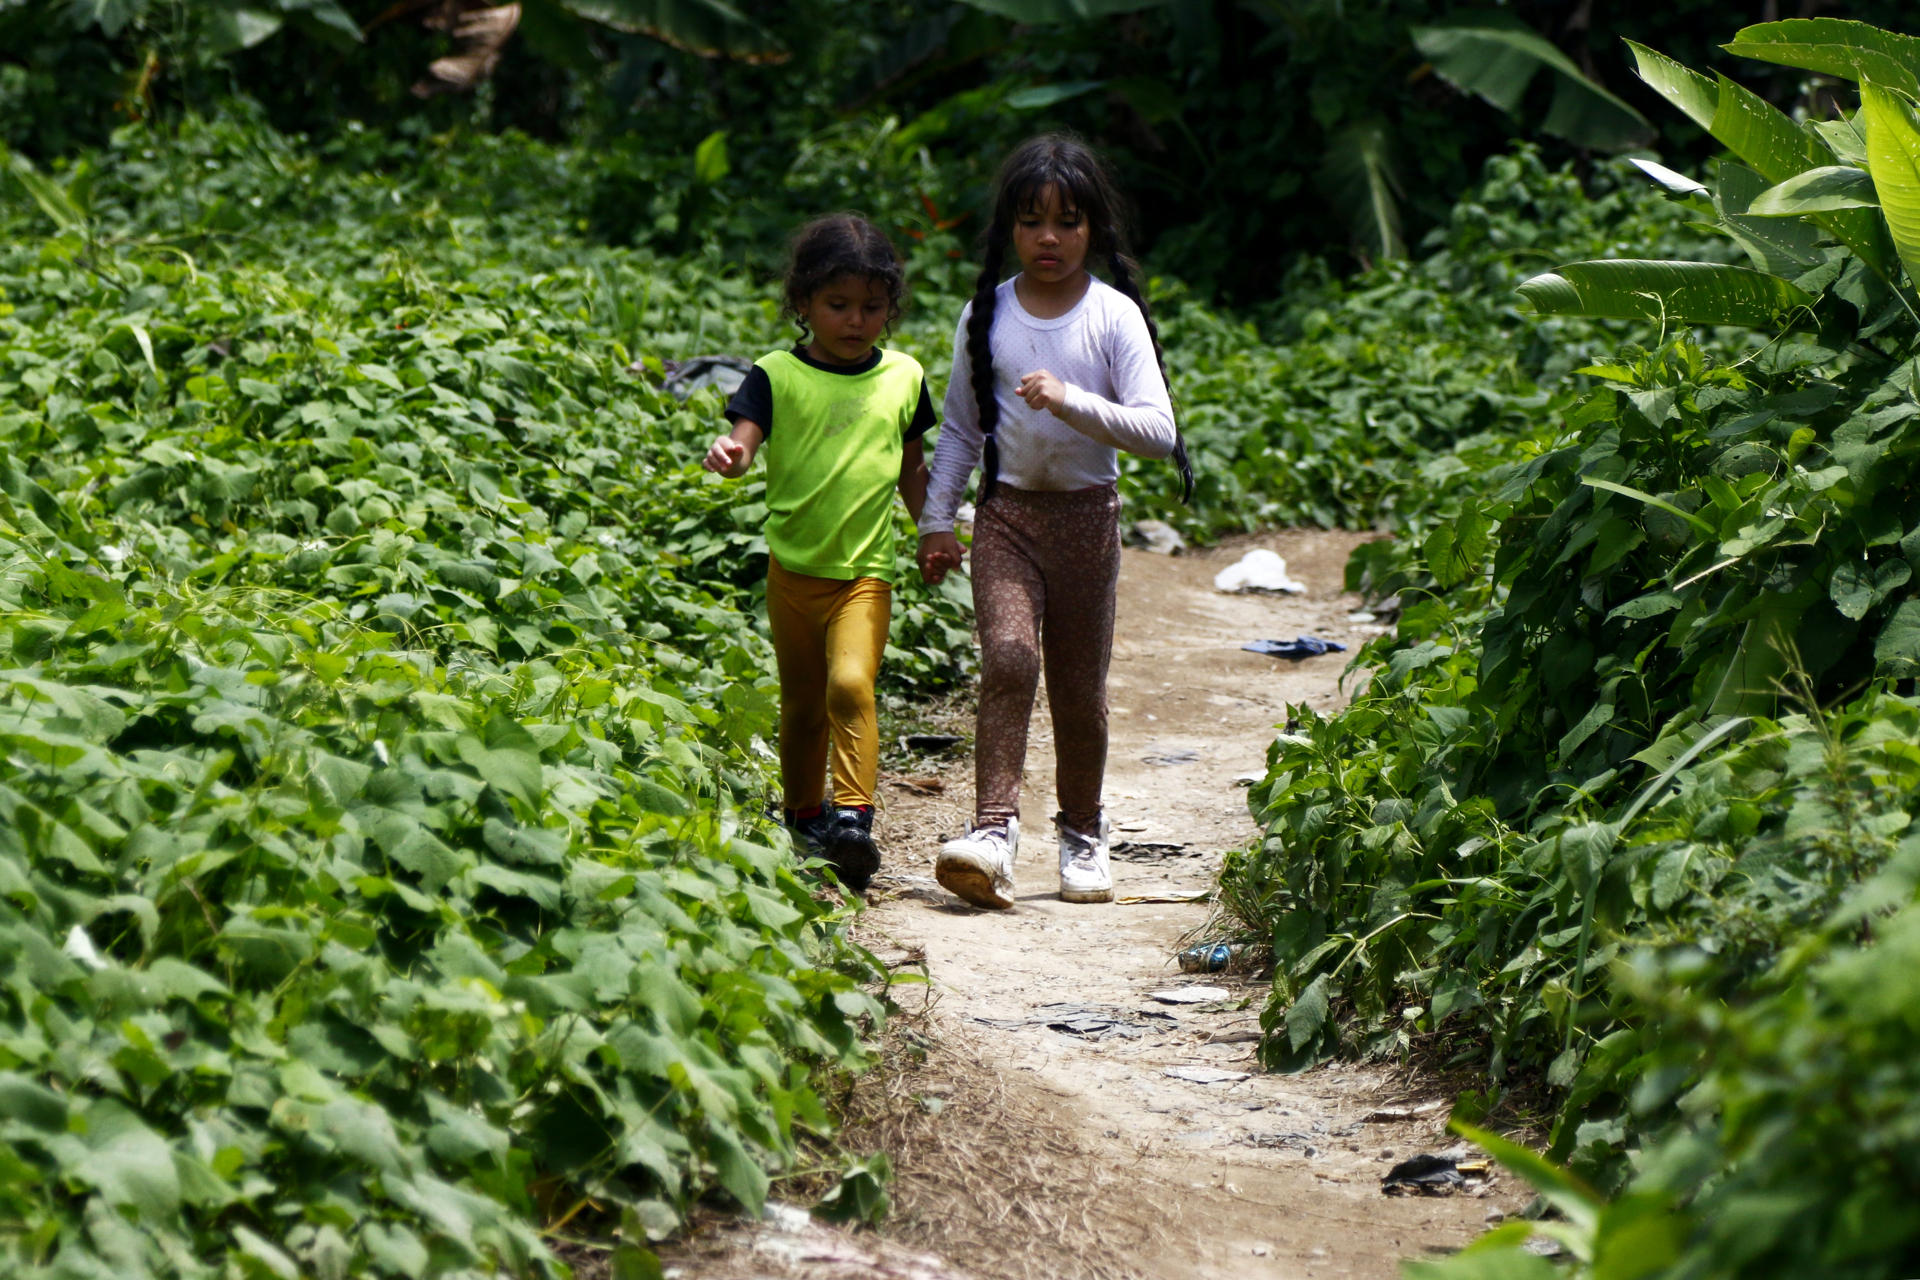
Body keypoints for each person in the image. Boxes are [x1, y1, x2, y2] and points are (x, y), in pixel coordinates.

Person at [917, 134, 1189, 910]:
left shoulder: (1114, 317)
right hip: (1006, 520)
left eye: (1068, 221)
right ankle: (992, 834)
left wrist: (1071, 399)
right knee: (1007, 657)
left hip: (1087, 525)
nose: (1049, 237)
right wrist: (939, 521)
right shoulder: (987, 316)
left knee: (1079, 694)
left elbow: (1158, 432)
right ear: (1010, 227)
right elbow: (963, 431)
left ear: (1093, 229)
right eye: (1032, 221)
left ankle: (1082, 833)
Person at [703, 214, 935, 894]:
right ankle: (805, 816)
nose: (855, 320)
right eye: (838, 305)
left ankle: (854, 821)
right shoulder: (775, 375)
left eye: (871, 307)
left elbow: (912, 471)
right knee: (802, 703)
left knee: (850, 686)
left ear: (890, 309)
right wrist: (730, 455)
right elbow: (743, 445)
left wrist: (936, 531)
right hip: (792, 575)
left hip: (864, 573)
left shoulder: (904, 378)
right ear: (803, 304)